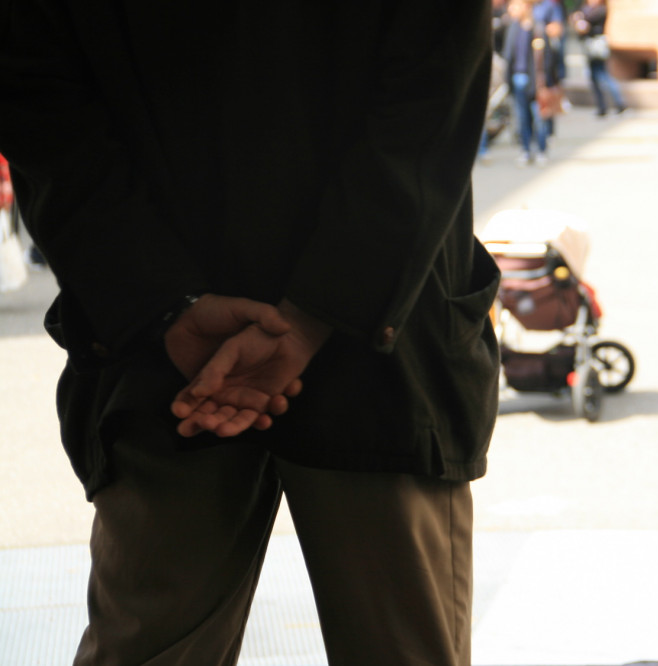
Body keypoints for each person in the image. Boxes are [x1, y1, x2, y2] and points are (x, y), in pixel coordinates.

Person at [0, 2, 500, 664]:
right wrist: (315, 306)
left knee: (152, 640)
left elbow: (43, 102)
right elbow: (433, 82)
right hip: (372, 328)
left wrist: (162, 303)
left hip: (191, 344)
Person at [504, 0, 562, 165]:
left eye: (516, 5)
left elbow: (548, 58)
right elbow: (509, 55)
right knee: (522, 118)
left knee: (539, 117)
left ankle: (541, 149)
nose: (512, 9)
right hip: (517, 78)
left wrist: (547, 82)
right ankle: (526, 149)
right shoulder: (513, 27)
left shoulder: (538, 29)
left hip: (536, 81)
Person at [572, 0, 628, 117]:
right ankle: (602, 106)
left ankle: (619, 102)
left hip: (597, 45)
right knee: (594, 77)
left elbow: (587, 22)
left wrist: (581, 19)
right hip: (589, 45)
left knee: (603, 75)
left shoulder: (600, 10)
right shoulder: (586, 9)